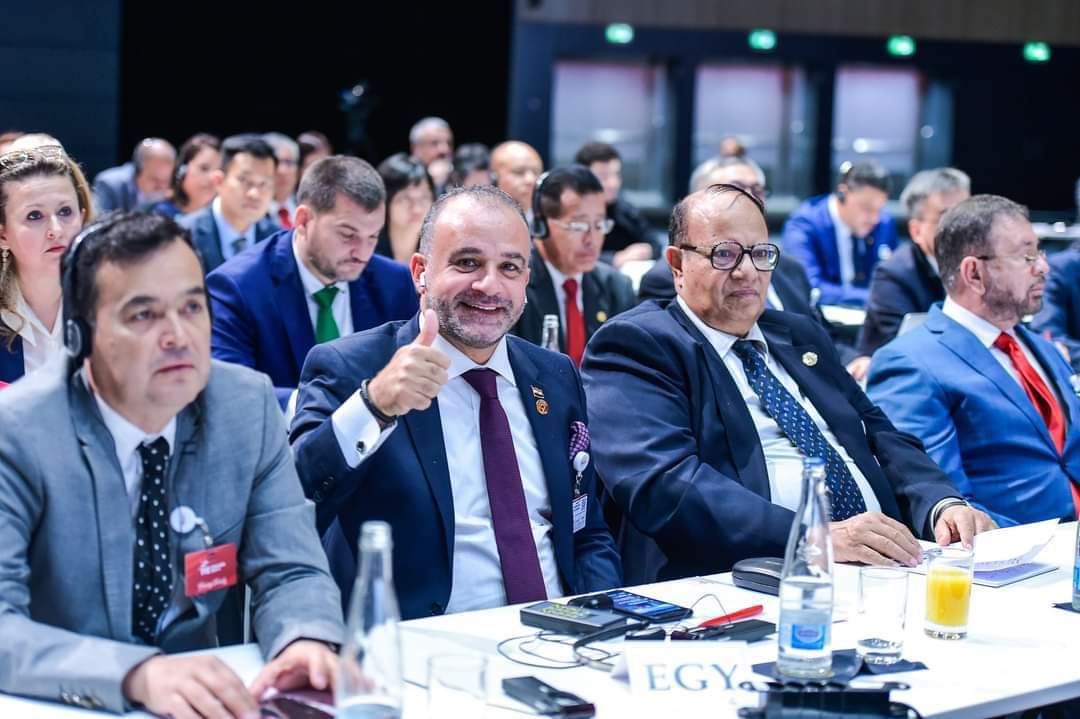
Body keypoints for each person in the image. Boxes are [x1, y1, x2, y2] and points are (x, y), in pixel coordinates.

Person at [0, 212, 343, 716]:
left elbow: (291, 570)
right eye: (143, 315)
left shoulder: (245, 406)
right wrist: (135, 673)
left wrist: (303, 641)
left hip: (201, 701)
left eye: (192, 307)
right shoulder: (18, 432)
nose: (178, 335)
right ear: (80, 336)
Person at [582, 184, 992, 583]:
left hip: (887, 563)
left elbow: (879, 433)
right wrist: (812, 536)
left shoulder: (797, 334)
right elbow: (664, 484)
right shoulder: (639, 344)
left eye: (760, 254)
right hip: (744, 575)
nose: (747, 271)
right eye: (724, 254)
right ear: (677, 264)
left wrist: (941, 502)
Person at [290, 185, 622, 617]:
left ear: (526, 278)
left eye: (509, 267)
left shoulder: (555, 375)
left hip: (562, 627)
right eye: (467, 263)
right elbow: (294, 507)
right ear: (420, 271)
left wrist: (603, 614)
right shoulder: (353, 366)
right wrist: (374, 406)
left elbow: (586, 529)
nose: (489, 285)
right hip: (425, 637)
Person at [868, 195, 1080, 527]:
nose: (1043, 267)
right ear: (974, 273)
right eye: (1026, 256)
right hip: (1023, 550)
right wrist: (1060, 545)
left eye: (1039, 252)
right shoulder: (910, 364)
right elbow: (948, 504)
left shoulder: (1045, 349)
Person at [208, 156, 418, 408]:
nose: (362, 252)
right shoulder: (238, 287)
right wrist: (327, 409)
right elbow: (230, 390)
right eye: (347, 234)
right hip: (283, 430)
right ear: (303, 220)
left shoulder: (395, 283)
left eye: (373, 236)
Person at [638, 156, 862, 366]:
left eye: (757, 190)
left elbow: (818, 335)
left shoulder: (789, 268)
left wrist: (856, 361)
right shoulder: (670, 276)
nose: (749, 199)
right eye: (735, 189)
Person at [851, 168, 970, 377]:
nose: (963, 227)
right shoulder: (894, 275)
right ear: (916, 230)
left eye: (967, 215)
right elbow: (909, 350)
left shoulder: (981, 265)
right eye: (947, 218)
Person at [511, 165, 635, 365]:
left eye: (599, 225)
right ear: (541, 225)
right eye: (578, 225)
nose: (591, 240)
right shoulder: (515, 285)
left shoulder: (617, 288)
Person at [0, 144, 89, 383]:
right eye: (34, 216)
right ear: (2, 235)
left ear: (82, 218)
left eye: (65, 211)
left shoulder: (111, 307)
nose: (56, 230)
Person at [782, 160, 897, 307]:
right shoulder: (804, 225)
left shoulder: (884, 222)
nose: (874, 218)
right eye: (867, 208)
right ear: (843, 193)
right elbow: (809, 287)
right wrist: (875, 298)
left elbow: (892, 279)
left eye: (880, 209)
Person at [179, 134, 279, 272]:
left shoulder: (278, 241)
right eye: (244, 180)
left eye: (264, 184)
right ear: (219, 181)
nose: (254, 194)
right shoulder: (184, 234)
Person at [573, 141, 658, 268]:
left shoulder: (624, 209)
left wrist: (646, 250)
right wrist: (614, 259)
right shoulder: (572, 213)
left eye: (616, 174)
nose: (613, 183)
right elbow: (570, 253)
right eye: (603, 177)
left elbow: (654, 244)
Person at [374, 153, 434, 263]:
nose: (417, 209)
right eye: (405, 199)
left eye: (424, 198)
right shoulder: (368, 252)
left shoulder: (437, 251)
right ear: (385, 201)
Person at [146, 133, 221, 219]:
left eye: (219, 171)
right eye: (204, 168)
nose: (212, 177)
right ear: (182, 170)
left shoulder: (221, 219)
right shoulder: (159, 212)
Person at [92, 138, 176, 213]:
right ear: (138, 170)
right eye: (155, 179)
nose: (161, 186)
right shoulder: (110, 184)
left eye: (166, 180)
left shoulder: (172, 191)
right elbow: (101, 222)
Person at [491, 140, 543, 222]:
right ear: (494, 178)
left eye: (536, 172)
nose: (530, 180)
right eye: (519, 172)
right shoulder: (479, 220)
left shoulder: (550, 222)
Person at [264, 132, 300, 229]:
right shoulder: (251, 214)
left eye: (288, 162)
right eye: (276, 163)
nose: (282, 171)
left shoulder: (307, 208)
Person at [409, 116, 453, 191]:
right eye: (434, 143)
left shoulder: (460, 178)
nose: (445, 149)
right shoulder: (403, 179)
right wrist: (435, 184)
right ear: (416, 148)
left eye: (449, 143)